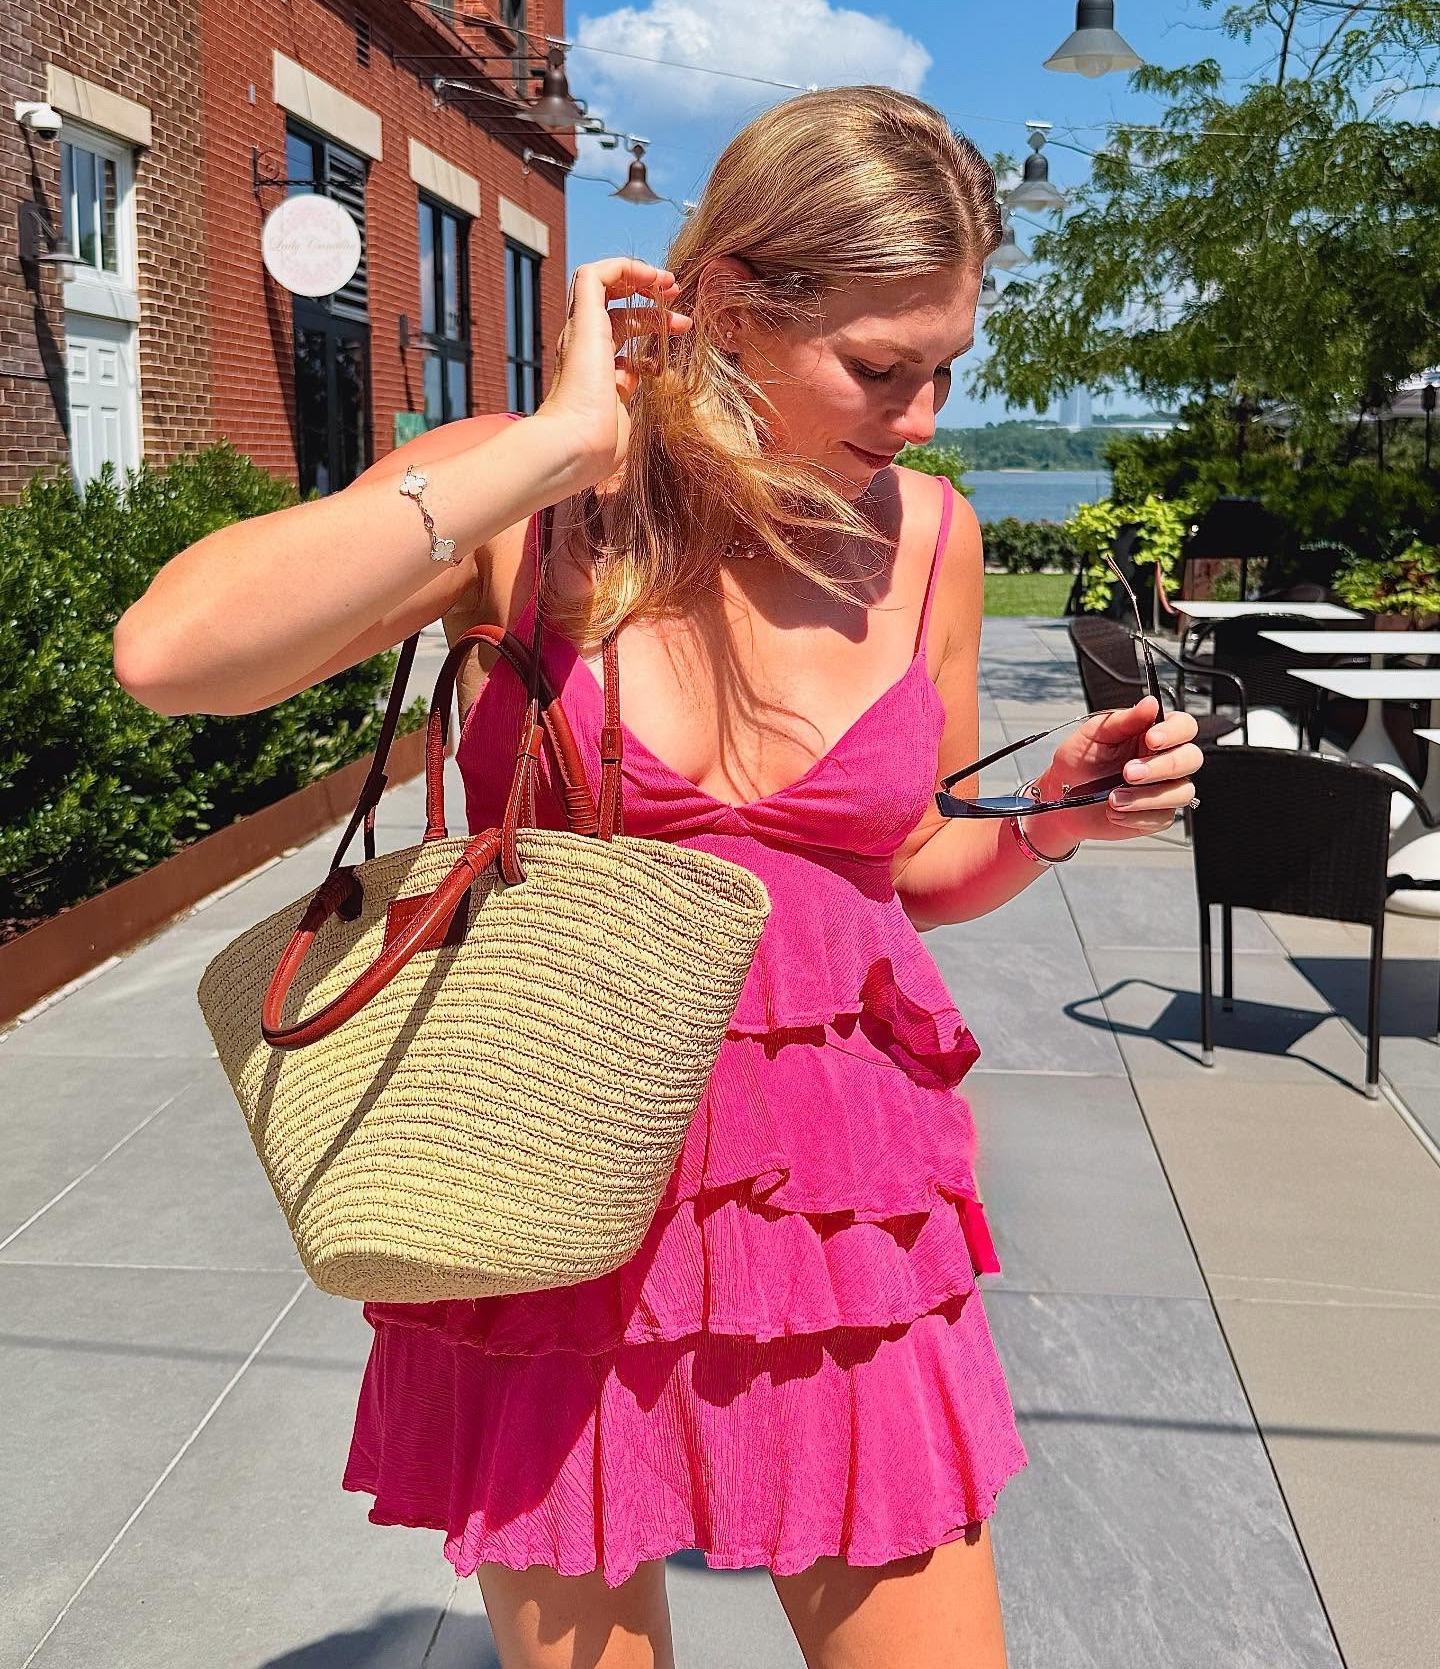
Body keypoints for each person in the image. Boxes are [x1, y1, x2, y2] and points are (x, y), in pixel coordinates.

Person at [114, 86, 1202, 1669]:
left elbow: (900, 869)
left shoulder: (934, 537)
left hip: (838, 1219)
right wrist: (556, 438)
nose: (920, 417)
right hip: (551, 1194)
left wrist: (1050, 820)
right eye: (880, 368)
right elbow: (174, 655)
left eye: (948, 367)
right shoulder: (543, 501)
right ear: (735, 308)